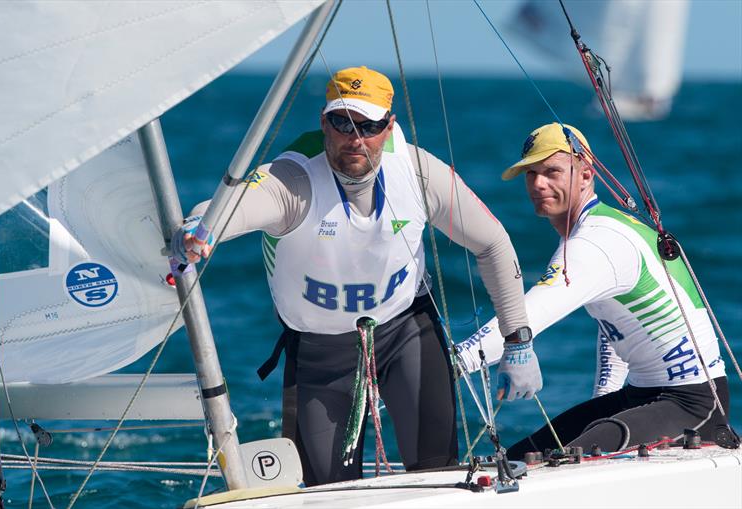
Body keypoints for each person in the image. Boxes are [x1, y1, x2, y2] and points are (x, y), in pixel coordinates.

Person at [174, 66, 538, 486]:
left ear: (389, 126)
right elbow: (229, 206)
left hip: (406, 332)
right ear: (323, 122)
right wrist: (199, 229)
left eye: (369, 125)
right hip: (321, 352)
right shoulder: (294, 180)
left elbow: (491, 242)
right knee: (328, 491)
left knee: (437, 473)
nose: (355, 137)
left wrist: (518, 341)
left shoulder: (418, 174)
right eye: (342, 123)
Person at [456, 122, 733, 458]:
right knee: (518, 456)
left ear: (585, 175)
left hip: (694, 406)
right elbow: (617, 325)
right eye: (530, 173)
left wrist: (451, 364)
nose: (538, 184)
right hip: (643, 396)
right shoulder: (596, 228)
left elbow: (524, 318)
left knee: (547, 466)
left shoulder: (595, 243)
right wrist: (604, 399)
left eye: (552, 172)